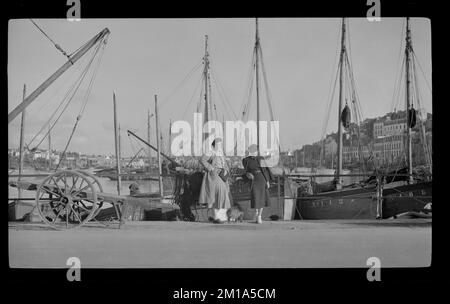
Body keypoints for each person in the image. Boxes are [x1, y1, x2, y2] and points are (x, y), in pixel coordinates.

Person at [198, 138, 231, 223]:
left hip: (222, 176)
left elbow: (225, 165)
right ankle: (216, 216)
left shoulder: (221, 154)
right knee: (218, 194)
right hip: (214, 176)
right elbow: (202, 160)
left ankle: (220, 216)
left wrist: (226, 171)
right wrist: (211, 168)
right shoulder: (210, 152)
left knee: (223, 194)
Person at [242, 144, 274, 224]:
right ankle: (256, 213)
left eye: (255, 151)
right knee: (255, 197)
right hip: (253, 180)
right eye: (252, 151)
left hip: (262, 179)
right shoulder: (246, 160)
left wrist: (267, 181)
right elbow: (245, 171)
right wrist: (247, 174)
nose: (254, 152)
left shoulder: (261, 158)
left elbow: (266, 170)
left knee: (263, 198)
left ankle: (259, 215)